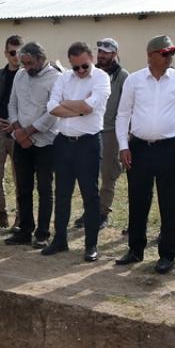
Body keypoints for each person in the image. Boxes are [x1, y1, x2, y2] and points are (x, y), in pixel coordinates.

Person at [115, 35, 175, 274]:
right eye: (165, 53)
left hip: (169, 149)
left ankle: (167, 254)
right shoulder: (134, 80)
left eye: (172, 53)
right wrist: (123, 146)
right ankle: (135, 249)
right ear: (150, 55)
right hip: (139, 148)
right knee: (138, 200)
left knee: (169, 203)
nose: (170, 57)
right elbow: (123, 114)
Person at [41, 42, 110, 261]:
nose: (80, 71)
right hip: (63, 142)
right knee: (62, 193)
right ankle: (60, 239)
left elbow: (90, 106)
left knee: (90, 195)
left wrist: (67, 105)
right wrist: (78, 109)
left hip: (88, 144)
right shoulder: (64, 78)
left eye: (84, 66)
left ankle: (91, 245)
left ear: (92, 59)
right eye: (76, 67)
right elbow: (52, 107)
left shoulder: (101, 78)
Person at [5, 41, 60, 247]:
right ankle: (25, 230)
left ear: (41, 59)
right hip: (21, 140)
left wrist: (28, 132)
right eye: (23, 63)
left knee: (44, 188)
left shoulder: (56, 78)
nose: (26, 67)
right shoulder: (20, 75)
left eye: (29, 63)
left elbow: (52, 113)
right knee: (23, 187)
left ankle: (42, 233)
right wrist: (18, 129)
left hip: (45, 142)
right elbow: (12, 104)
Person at [83, 37, 128, 232]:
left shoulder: (123, 76)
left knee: (108, 173)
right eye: (99, 51)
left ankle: (103, 212)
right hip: (90, 128)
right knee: (88, 173)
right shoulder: (91, 73)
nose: (101, 56)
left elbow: (127, 105)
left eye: (106, 52)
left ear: (115, 54)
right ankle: (90, 210)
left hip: (111, 131)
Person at [0, 34, 22, 230]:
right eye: (12, 52)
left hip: (19, 131)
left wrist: (17, 124)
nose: (16, 56)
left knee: (20, 177)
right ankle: (0, 213)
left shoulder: (28, 75)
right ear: (6, 54)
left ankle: (20, 215)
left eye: (19, 52)